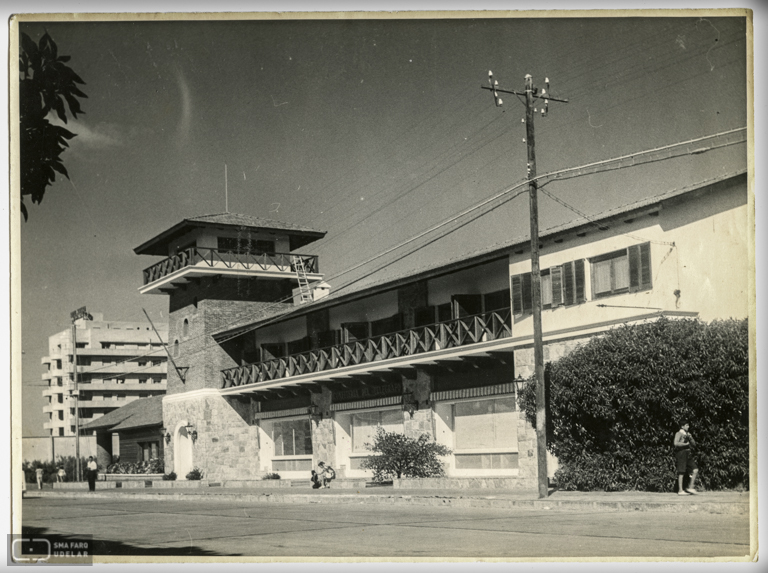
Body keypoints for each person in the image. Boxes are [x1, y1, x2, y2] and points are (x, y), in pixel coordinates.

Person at [674, 422, 699, 495]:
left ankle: (690, 487)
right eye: (686, 425)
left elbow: (694, 444)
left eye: (688, 425)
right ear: (682, 426)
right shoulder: (679, 433)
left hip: (688, 453)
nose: (688, 426)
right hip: (681, 453)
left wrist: (690, 438)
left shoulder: (688, 434)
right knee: (681, 471)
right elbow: (675, 443)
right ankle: (680, 490)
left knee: (695, 470)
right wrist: (685, 444)